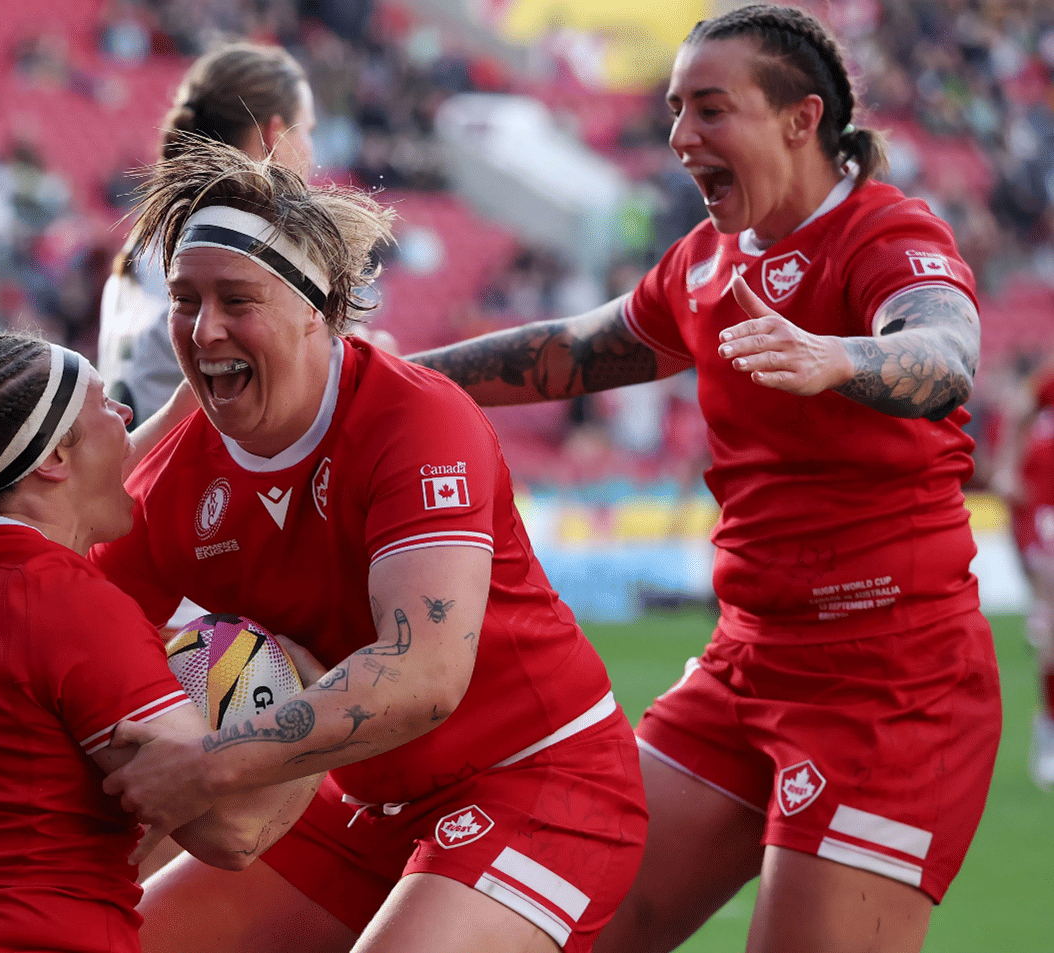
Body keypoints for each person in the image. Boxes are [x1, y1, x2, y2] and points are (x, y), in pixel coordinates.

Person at [407, 6, 998, 953]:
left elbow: (945, 351)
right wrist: (395, 374)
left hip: (892, 682)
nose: (681, 137)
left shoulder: (887, 232)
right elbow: (569, 351)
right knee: (571, 923)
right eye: (677, 109)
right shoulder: (705, 262)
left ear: (801, 119)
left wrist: (840, 358)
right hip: (745, 665)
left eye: (711, 110)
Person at [83, 138, 647, 953]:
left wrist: (208, 761)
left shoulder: (415, 419)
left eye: (235, 299)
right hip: (356, 803)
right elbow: (68, 642)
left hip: (539, 780)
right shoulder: (171, 477)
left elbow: (422, 674)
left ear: (316, 306)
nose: (204, 330)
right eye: (184, 298)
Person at [0, 332, 319, 953]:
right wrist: (326, 696)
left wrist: (188, 407)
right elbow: (233, 831)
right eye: (105, 403)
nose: (127, 415)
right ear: (51, 460)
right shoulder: (71, 603)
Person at [98, 41, 315, 427]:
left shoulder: (157, 231)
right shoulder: (243, 242)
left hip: (134, 463)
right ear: (275, 134)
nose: (311, 152)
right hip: (182, 472)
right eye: (308, 130)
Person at [990, 356, 1054, 790]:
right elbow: (1019, 407)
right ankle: (1049, 730)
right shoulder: (1046, 383)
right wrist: (1008, 468)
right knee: (1051, 619)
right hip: (1045, 511)